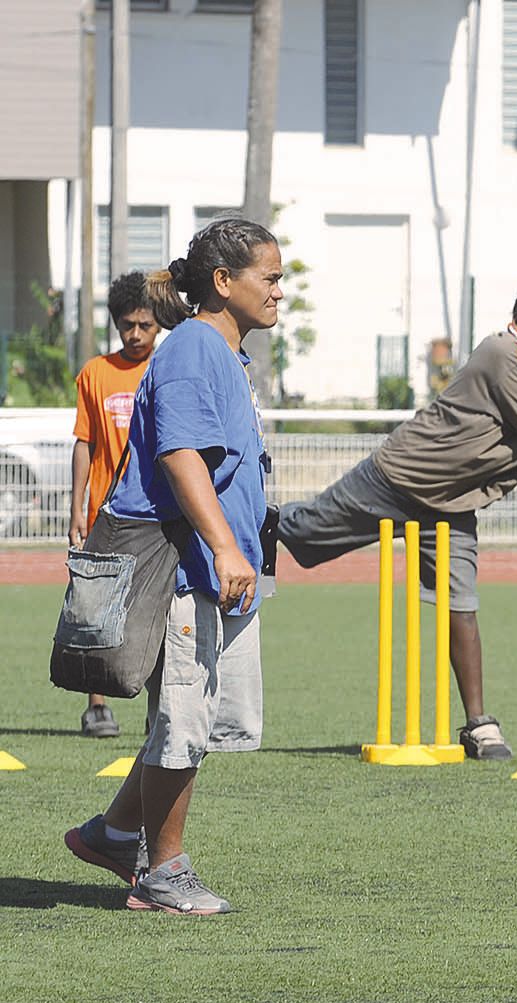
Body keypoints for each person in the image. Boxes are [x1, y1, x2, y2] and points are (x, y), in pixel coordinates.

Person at [278, 264, 517, 761]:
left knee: (460, 605)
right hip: (399, 478)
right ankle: (246, 521)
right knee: (304, 532)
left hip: (452, 503)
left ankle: (479, 724)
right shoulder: (501, 352)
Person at [63, 218, 282, 914]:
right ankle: (163, 873)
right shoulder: (192, 348)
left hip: (218, 570)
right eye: (270, 278)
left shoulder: (223, 352)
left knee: (195, 721)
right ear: (224, 282)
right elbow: (179, 454)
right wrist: (222, 546)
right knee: (184, 721)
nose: (282, 291)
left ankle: (115, 831)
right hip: (189, 571)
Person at [68, 271, 159, 738]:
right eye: (128, 325)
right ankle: (97, 705)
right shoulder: (95, 373)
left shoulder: (167, 369)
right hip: (107, 512)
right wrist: (76, 511)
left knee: (157, 608)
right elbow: (83, 443)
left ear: (158, 324)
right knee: (96, 610)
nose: (137, 334)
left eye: (145, 325)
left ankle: (157, 707)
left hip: (159, 515)